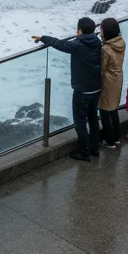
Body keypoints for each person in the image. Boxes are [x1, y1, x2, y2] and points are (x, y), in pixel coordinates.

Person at [32, 17, 103, 162]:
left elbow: (60, 44)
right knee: (93, 118)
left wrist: (43, 38)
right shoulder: (98, 42)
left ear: (80, 31)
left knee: (80, 121)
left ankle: (85, 152)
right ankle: (95, 148)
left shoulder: (77, 44)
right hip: (96, 88)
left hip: (82, 91)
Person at [98, 17, 126, 148]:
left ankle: (109, 141)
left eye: (101, 29)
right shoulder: (121, 42)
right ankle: (116, 137)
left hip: (108, 81)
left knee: (104, 110)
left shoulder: (105, 49)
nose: (100, 32)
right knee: (113, 109)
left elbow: (102, 69)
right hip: (118, 78)